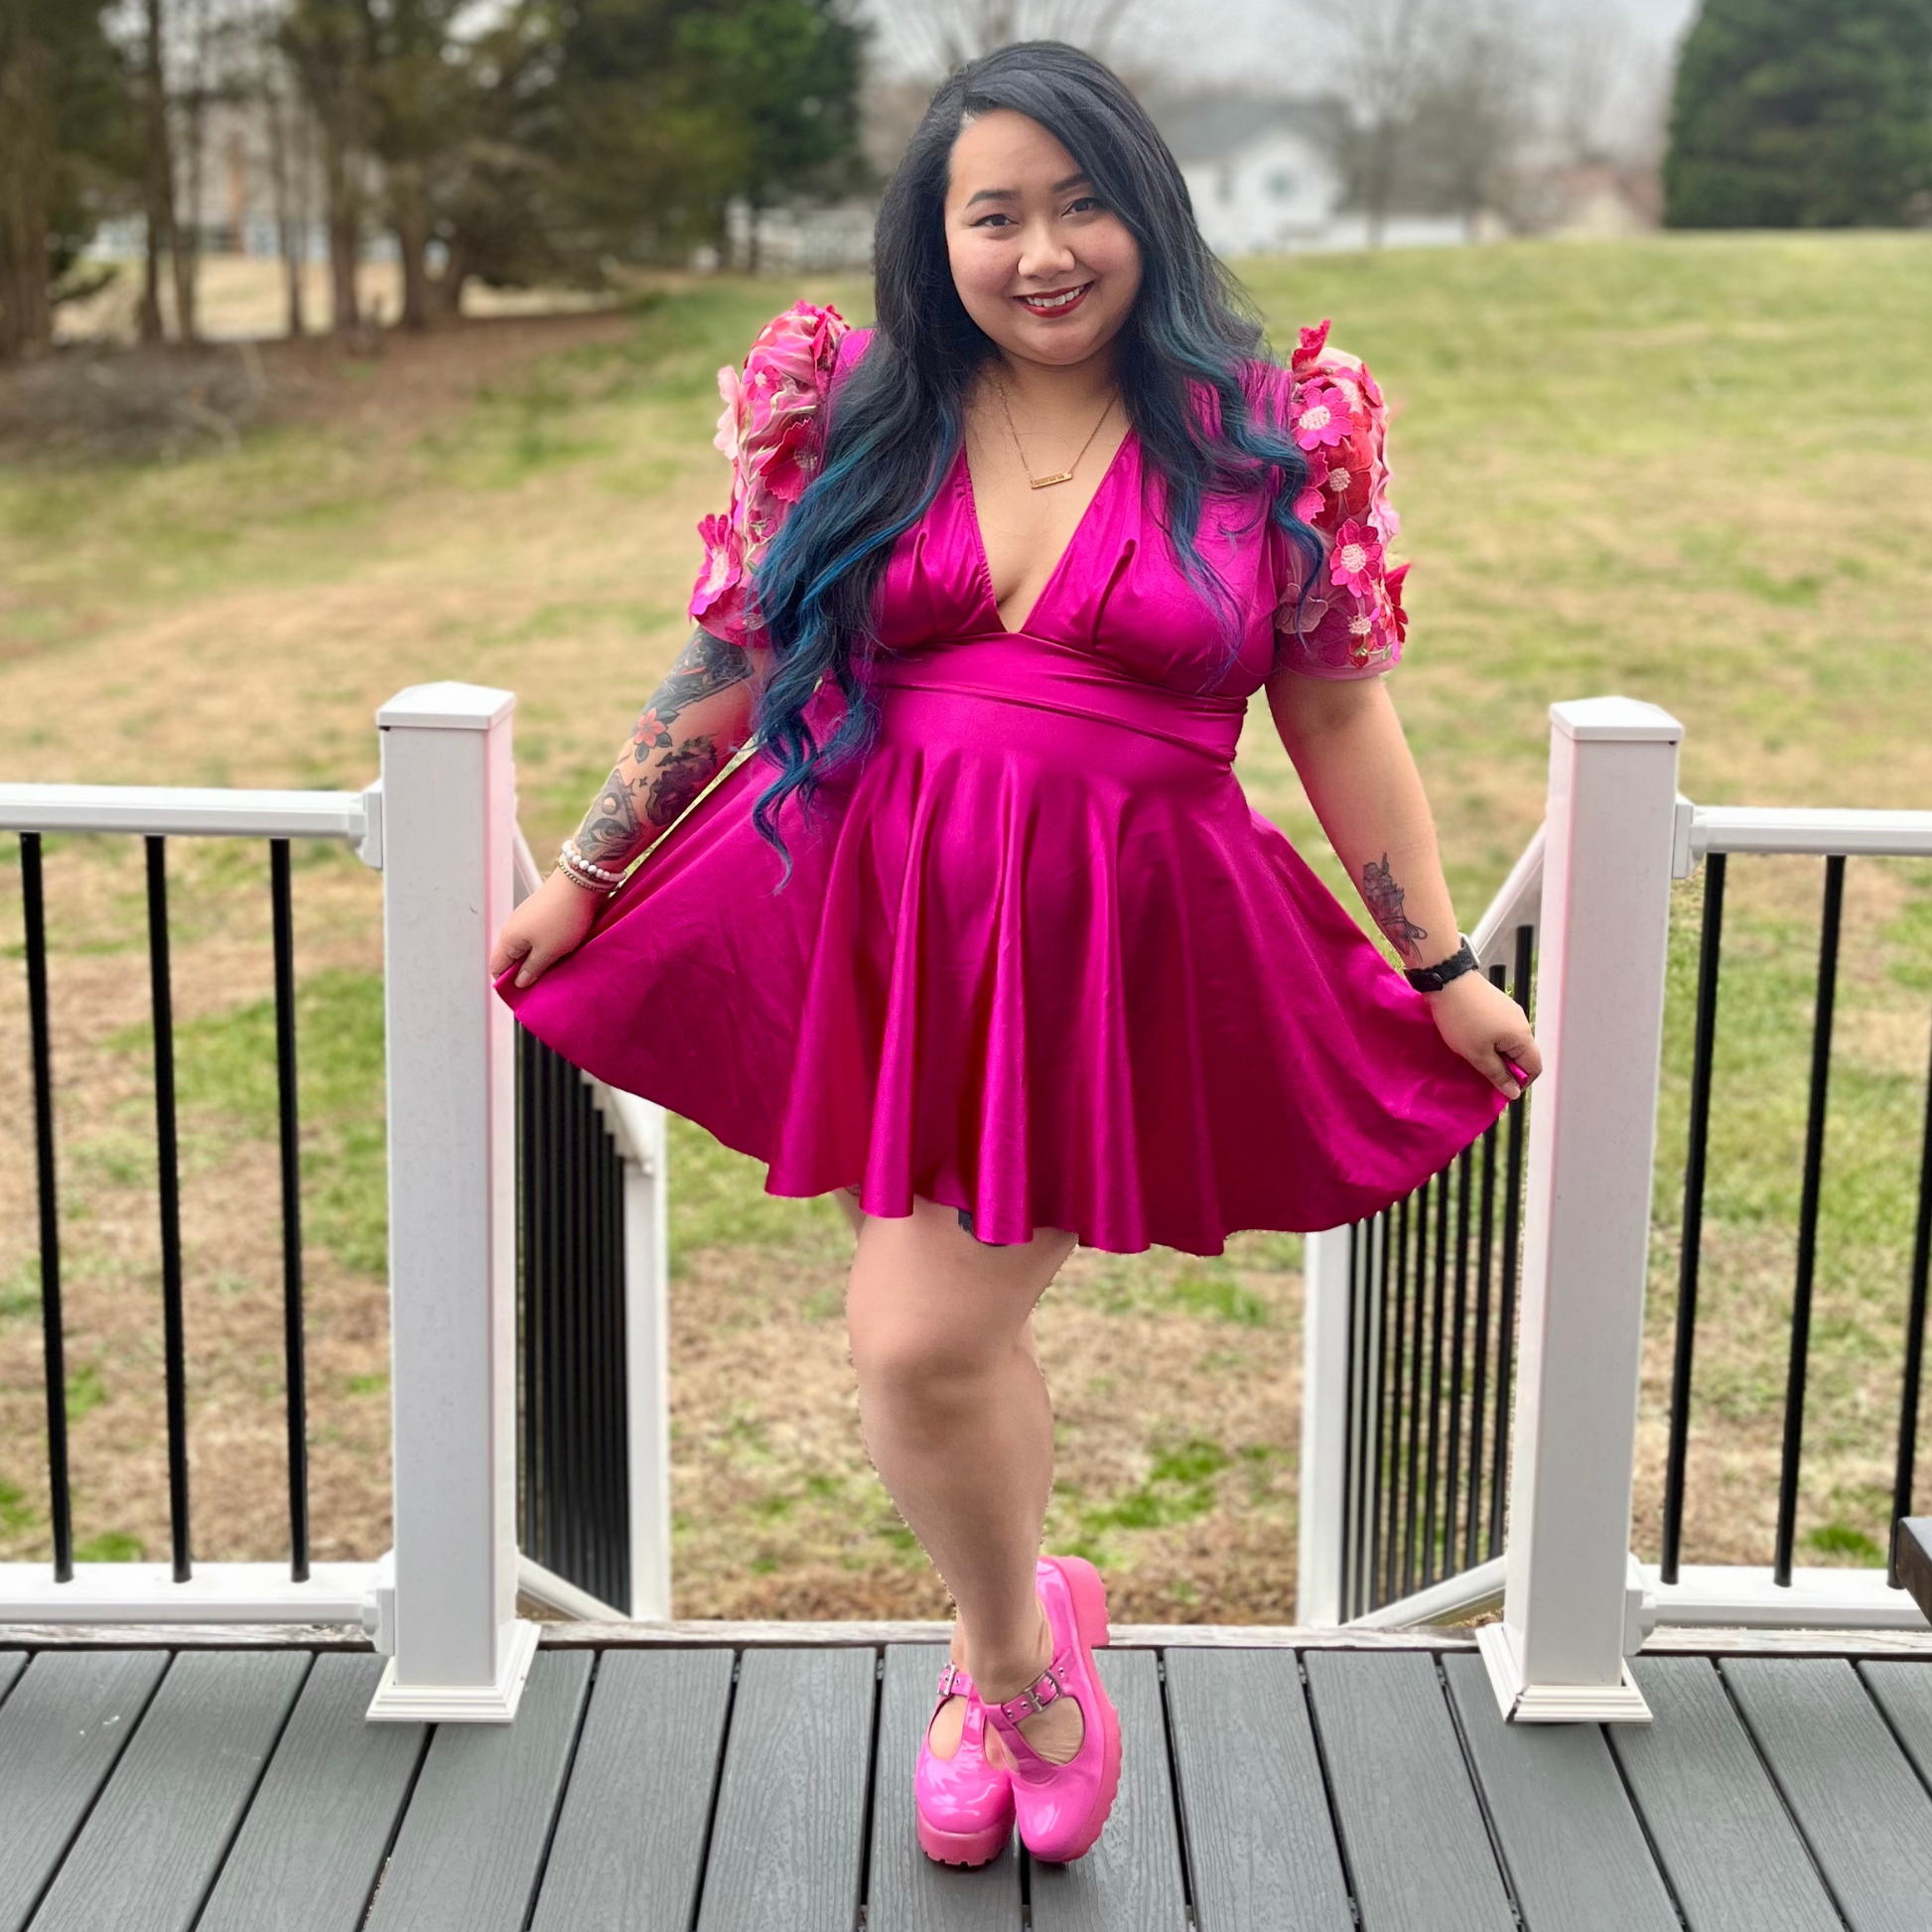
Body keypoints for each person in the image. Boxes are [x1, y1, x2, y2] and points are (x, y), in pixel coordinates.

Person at [488, 41, 1540, 1869]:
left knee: (916, 1343)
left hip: (1101, 939)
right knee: (937, 1352)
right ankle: (1018, 1643)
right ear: (938, 234)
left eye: (1081, 204)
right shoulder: (852, 414)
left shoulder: (1266, 437)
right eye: (995, 214)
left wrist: (1438, 960)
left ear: (1150, 212)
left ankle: (1015, 1663)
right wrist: (590, 866)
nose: (1042, 250)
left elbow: (1339, 717)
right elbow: (734, 657)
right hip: (873, 911)